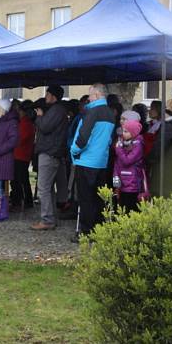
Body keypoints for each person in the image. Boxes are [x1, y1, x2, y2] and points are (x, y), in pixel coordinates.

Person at [70, 83, 116, 240]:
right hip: (102, 161)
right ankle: (98, 230)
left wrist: (74, 151)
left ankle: (85, 232)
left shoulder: (92, 112)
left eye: (90, 95)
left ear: (97, 95)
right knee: (98, 198)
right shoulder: (110, 113)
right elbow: (109, 139)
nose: (88, 99)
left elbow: (83, 136)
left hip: (87, 161)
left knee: (86, 198)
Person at [31, 85, 69, 231]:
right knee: (49, 188)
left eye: (47, 94)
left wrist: (40, 116)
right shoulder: (58, 110)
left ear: (54, 96)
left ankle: (47, 220)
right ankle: (51, 217)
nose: (45, 96)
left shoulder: (57, 110)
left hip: (49, 152)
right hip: (52, 152)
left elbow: (45, 127)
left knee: (43, 187)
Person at [113, 120, 146, 214]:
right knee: (121, 207)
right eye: (123, 131)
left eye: (126, 131)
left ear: (133, 132)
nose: (123, 133)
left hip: (132, 185)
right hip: (121, 181)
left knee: (130, 209)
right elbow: (117, 165)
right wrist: (116, 184)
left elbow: (127, 161)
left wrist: (119, 150)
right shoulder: (122, 143)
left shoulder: (138, 145)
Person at [10, 100, 35, 211]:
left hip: (21, 155)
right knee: (21, 179)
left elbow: (20, 139)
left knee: (19, 180)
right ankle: (25, 201)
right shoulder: (24, 123)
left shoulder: (26, 124)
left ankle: (20, 201)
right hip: (20, 155)